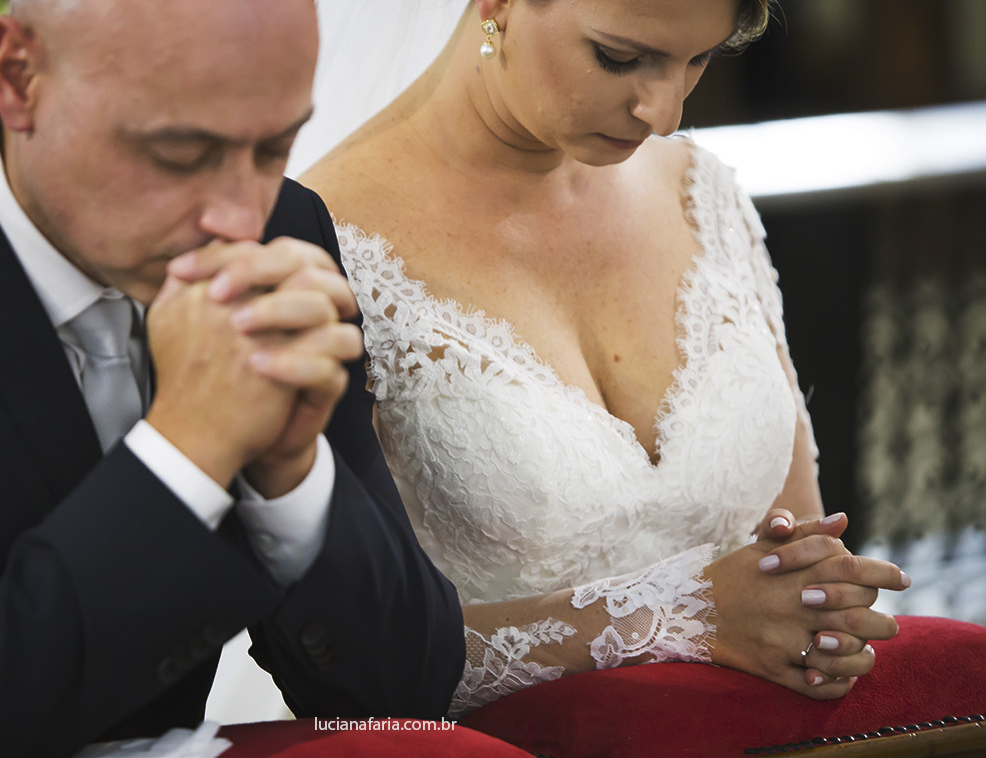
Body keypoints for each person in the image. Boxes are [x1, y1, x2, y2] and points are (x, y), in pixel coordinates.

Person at [0, 0, 465, 755]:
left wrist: (291, 475)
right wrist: (189, 448)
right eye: (179, 152)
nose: (240, 220)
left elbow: (405, 698)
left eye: (274, 149)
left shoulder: (287, 227)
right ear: (19, 76)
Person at [295, 0, 910, 717]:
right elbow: (351, 654)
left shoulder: (696, 188)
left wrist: (816, 605)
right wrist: (680, 615)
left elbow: (797, 534)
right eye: (620, 58)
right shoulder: (326, 245)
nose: (663, 113)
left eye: (699, 59)